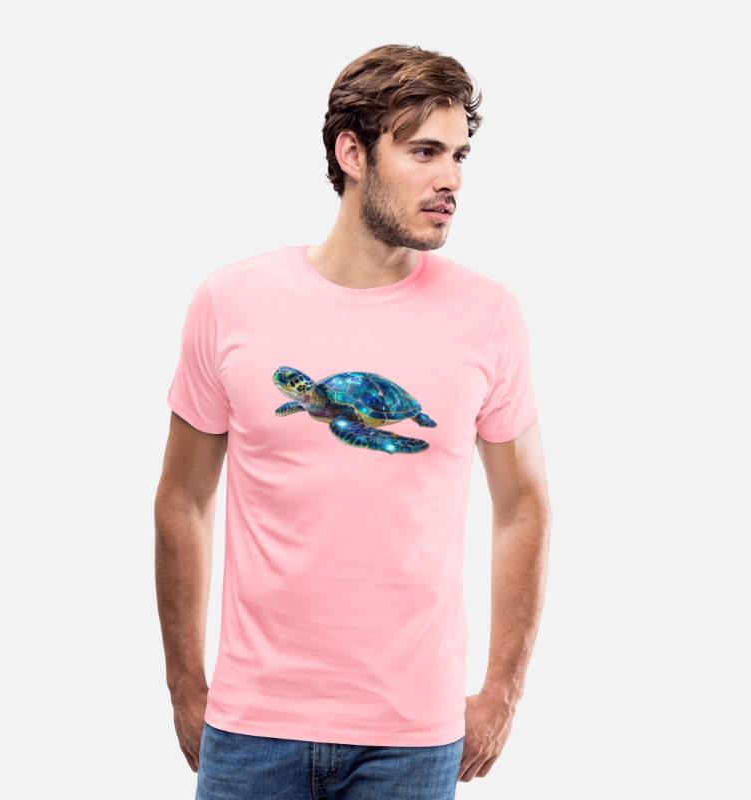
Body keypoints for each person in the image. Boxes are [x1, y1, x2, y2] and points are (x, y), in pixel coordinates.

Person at [155, 43, 551, 799]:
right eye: (425, 151)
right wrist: (183, 684)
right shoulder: (231, 302)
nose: (450, 179)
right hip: (251, 726)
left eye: (459, 155)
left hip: (412, 737)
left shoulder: (489, 314)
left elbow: (523, 503)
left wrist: (503, 691)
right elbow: (181, 499)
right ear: (352, 153)